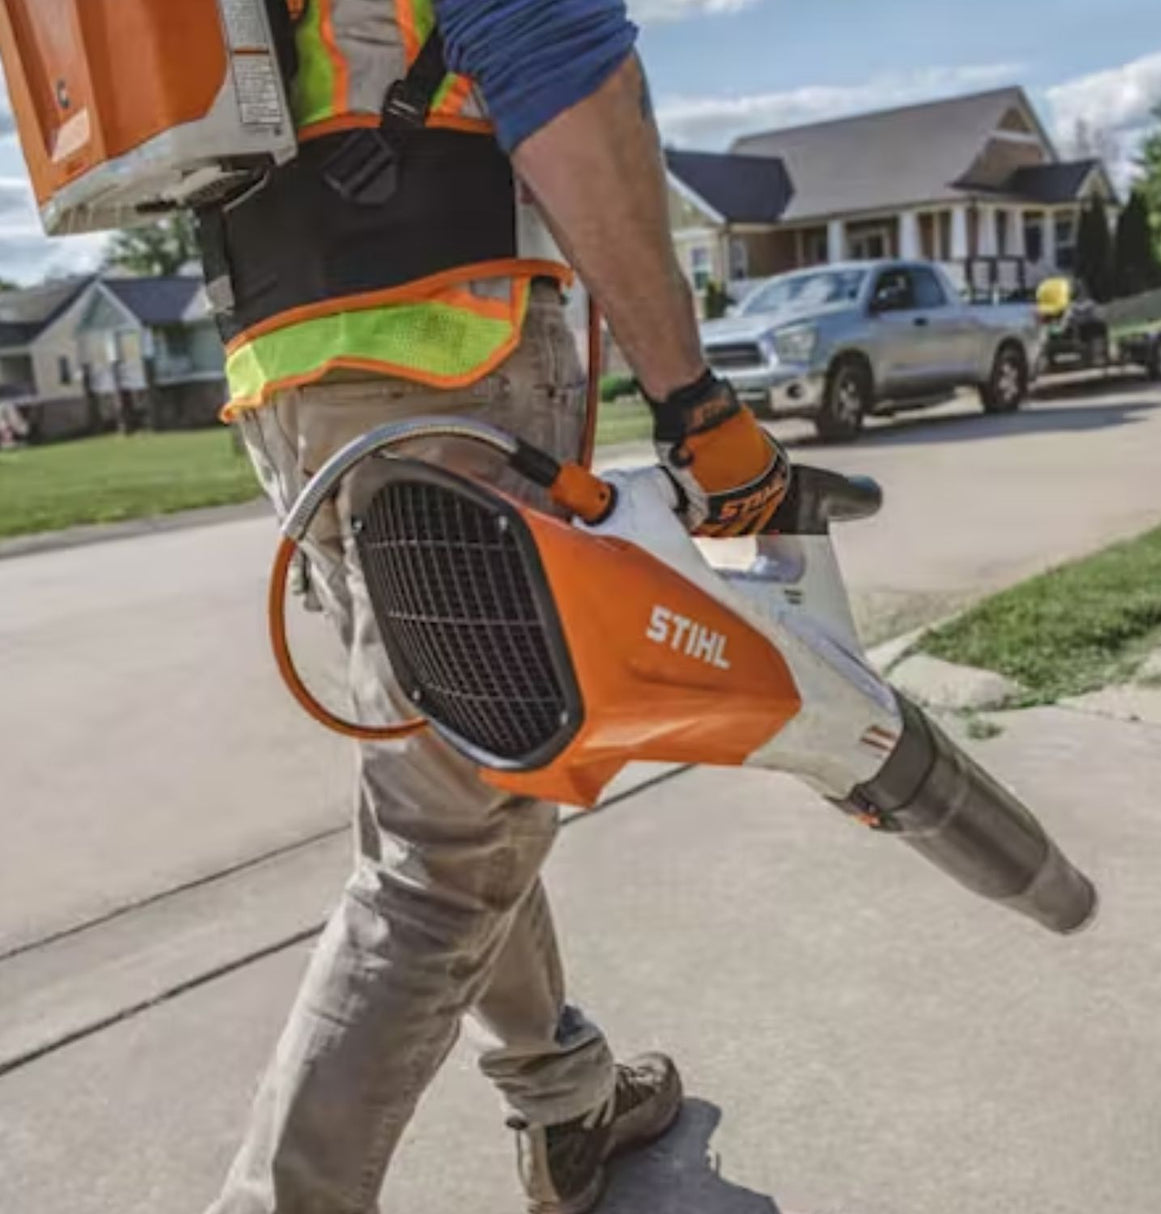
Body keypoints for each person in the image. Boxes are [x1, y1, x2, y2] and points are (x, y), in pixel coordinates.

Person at [203, 2, 790, 1212]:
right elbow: (550, 51)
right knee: (446, 857)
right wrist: (692, 404)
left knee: (466, 780)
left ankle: (564, 1097)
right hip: (440, 353)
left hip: (289, 366)